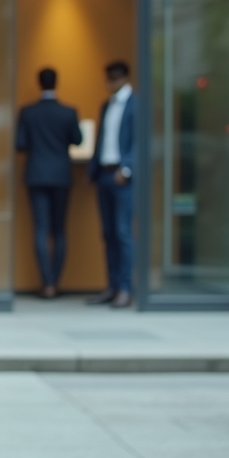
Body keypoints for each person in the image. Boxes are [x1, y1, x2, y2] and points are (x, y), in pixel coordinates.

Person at [16, 68, 83, 299]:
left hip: (36, 174)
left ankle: (47, 284)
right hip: (61, 176)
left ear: (39, 83)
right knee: (60, 230)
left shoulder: (28, 112)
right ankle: (55, 281)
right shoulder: (68, 112)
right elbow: (78, 139)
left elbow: (20, 143)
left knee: (41, 229)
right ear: (57, 82)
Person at [87, 60, 135, 309]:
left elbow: (140, 140)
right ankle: (112, 286)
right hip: (104, 175)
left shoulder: (135, 104)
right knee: (107, 234)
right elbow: (102, 140)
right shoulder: (107, 105)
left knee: (122, 233)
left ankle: (125, 288)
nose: (109, 83)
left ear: (124, 78)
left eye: (113, 78)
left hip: (123, 177)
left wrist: (127, 169)